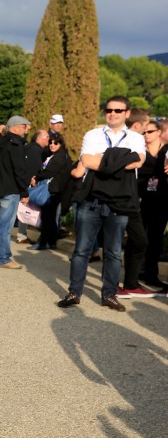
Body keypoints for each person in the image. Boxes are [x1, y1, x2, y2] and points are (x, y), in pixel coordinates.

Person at [58, 96, 145, 311]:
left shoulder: (135, 137)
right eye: (109, 110)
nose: (112, 113)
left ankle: (109, 295)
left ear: (127, 113)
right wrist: (121, 158)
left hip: (121, 202)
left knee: (114, 252)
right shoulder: (93, 134)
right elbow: (87, 160)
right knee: (81, 250)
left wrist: (103, 159)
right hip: (91, 199)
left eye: (118, 110)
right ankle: (74, 292)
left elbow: (138, 161)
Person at [0, 116, 29, 269]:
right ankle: (3, 258)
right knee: (5, 226)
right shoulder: (15, 145)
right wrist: (24, 191)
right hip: (10, 190)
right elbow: (19, 171)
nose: (26, 129)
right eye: (24, 126)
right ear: (15, 128)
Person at [115, 108, 152, 297]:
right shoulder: (128, 140)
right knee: (131, 241)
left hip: (128, 197)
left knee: (135, 241)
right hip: (120, 197)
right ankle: (119, 285)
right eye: (146, 128)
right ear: (137, 125)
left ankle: (129, 283)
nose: (146, 134)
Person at [138, 120, 168, 290]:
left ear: (158, 132)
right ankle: (134, 274)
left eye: (150, 132)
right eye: (144, 132)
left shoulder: (165, 151)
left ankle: (151, 274)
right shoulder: (140, 151)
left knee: (155, 238)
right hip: (142, 200)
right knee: (139, 238)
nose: (146, 135)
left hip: (162, 202)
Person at [29, 134, 72, 250]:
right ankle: (51, 241)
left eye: (55, 143)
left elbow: (49, 172)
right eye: (50, 143)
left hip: (53, 190)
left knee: (47, 217)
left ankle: (43, 242)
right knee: (50, 217)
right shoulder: (57, 155)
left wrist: (36, 177)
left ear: (61, 144)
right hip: (55, 189)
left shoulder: (60, 156)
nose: (52, 145)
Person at [17, 128, 50, 244]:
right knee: (27, 209)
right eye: (47, 137)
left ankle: (21, 235)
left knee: (22, 209)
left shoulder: (28, 147)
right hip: (29, 184)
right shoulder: (36, 151)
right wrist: (34, 179)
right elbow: (34, 168)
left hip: (22, 182)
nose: (49, 140)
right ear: (39, 138)